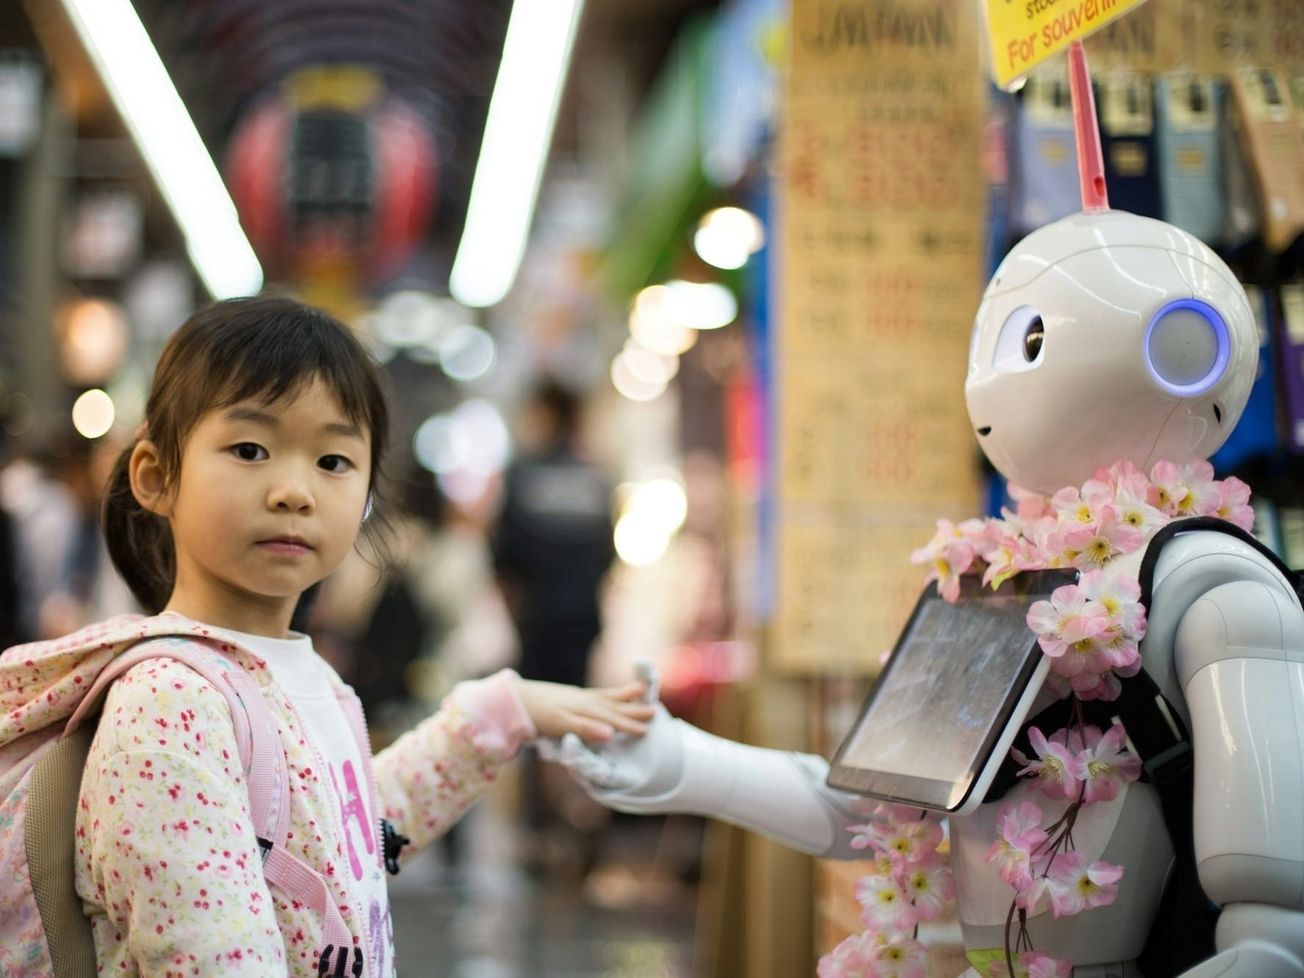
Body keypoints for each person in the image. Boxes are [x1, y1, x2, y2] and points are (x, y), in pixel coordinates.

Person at [59, 295, 651, 977]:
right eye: (250, 449)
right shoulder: (169, 707)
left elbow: (342, 844)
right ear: (157, 477)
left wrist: (501, 716)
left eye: (333, 461)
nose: (294, 491)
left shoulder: (293, 675)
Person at [491, 378, 617, 873]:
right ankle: (582, 817)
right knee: (581, 719)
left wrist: (516, 610)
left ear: (547, 414)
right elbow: (608, 557)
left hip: (537, 622)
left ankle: (542, 833)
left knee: (537, 724)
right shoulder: (596, 478)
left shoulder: (524, 474)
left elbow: (502, 558)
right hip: (582, 622)